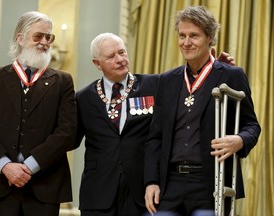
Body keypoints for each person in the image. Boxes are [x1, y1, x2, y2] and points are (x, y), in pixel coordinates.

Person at [74, 32, 235, 216]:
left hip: (143, 192)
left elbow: (191, 88)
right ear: (97, 64)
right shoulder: (83, 98)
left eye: (122, 52)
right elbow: (70, 139)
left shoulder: (155, 84)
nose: (120, 59)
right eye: (111, 56)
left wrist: (215, 70)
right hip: (97, 193)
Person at [144, 5, 261, 216]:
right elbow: (155, 137)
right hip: (170, 185)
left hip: (211, 183)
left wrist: (240, 140)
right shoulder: (167, 80)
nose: (186, 42)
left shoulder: (231, 75)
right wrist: (151, 181)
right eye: (182, 35)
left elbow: (252, 126)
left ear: (210, 37)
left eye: (194, 36)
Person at [0, 11, 77, 216]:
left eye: (49, 37)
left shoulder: (62, 81)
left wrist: (29, 167)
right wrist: (6, 166)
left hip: (45, 186)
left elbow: (67, 131)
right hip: (0, 185)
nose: (44, 42)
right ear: (20, 37)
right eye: (38, 36)